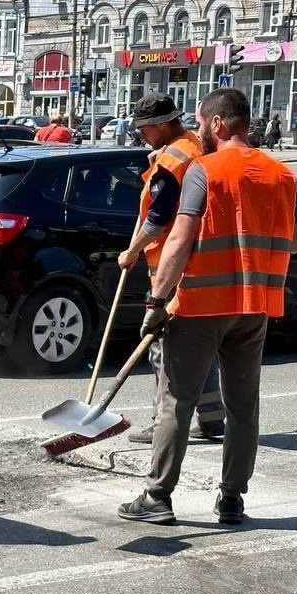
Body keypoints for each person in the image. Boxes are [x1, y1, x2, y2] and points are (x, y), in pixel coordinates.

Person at [118, 88, 297, 527]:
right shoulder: (282, 175)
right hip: (254, 305)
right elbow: (296, 241)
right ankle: (233, 499)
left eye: (201, 122)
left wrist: (157, 299)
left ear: (218, 123)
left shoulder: (205, 170)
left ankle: (158, 497)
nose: (197, 130)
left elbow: (179, 239)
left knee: (176, 402)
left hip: (201, 305)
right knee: (243, 406)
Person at [115, 92, 223, 446]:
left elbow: (158, 219)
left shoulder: (173, 161)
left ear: (162, 125)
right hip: (199, 262)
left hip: (171, 266)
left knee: (163, 348)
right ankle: (212, 417)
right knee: (199, 345)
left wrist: (131, 251)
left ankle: (162, 424)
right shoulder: (192, 144)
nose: (140, 134)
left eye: (144, 128)